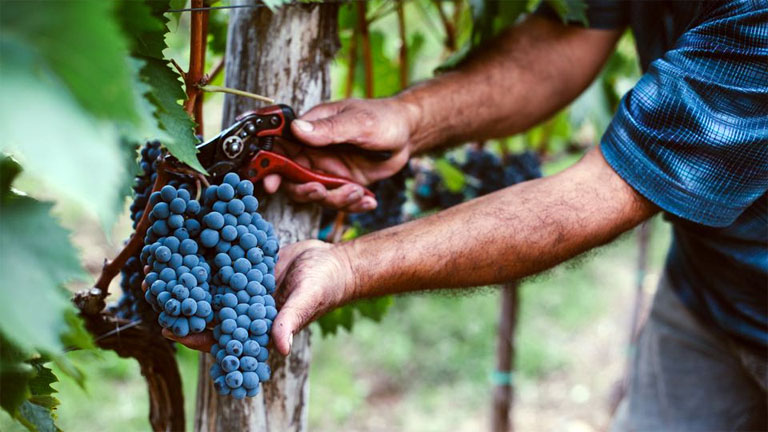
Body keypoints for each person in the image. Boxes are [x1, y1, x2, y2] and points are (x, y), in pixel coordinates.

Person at [183, 1, 768, 429]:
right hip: (707, 292)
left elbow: (597, 195)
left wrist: (351, 268)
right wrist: (410, 118)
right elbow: (570, 39)